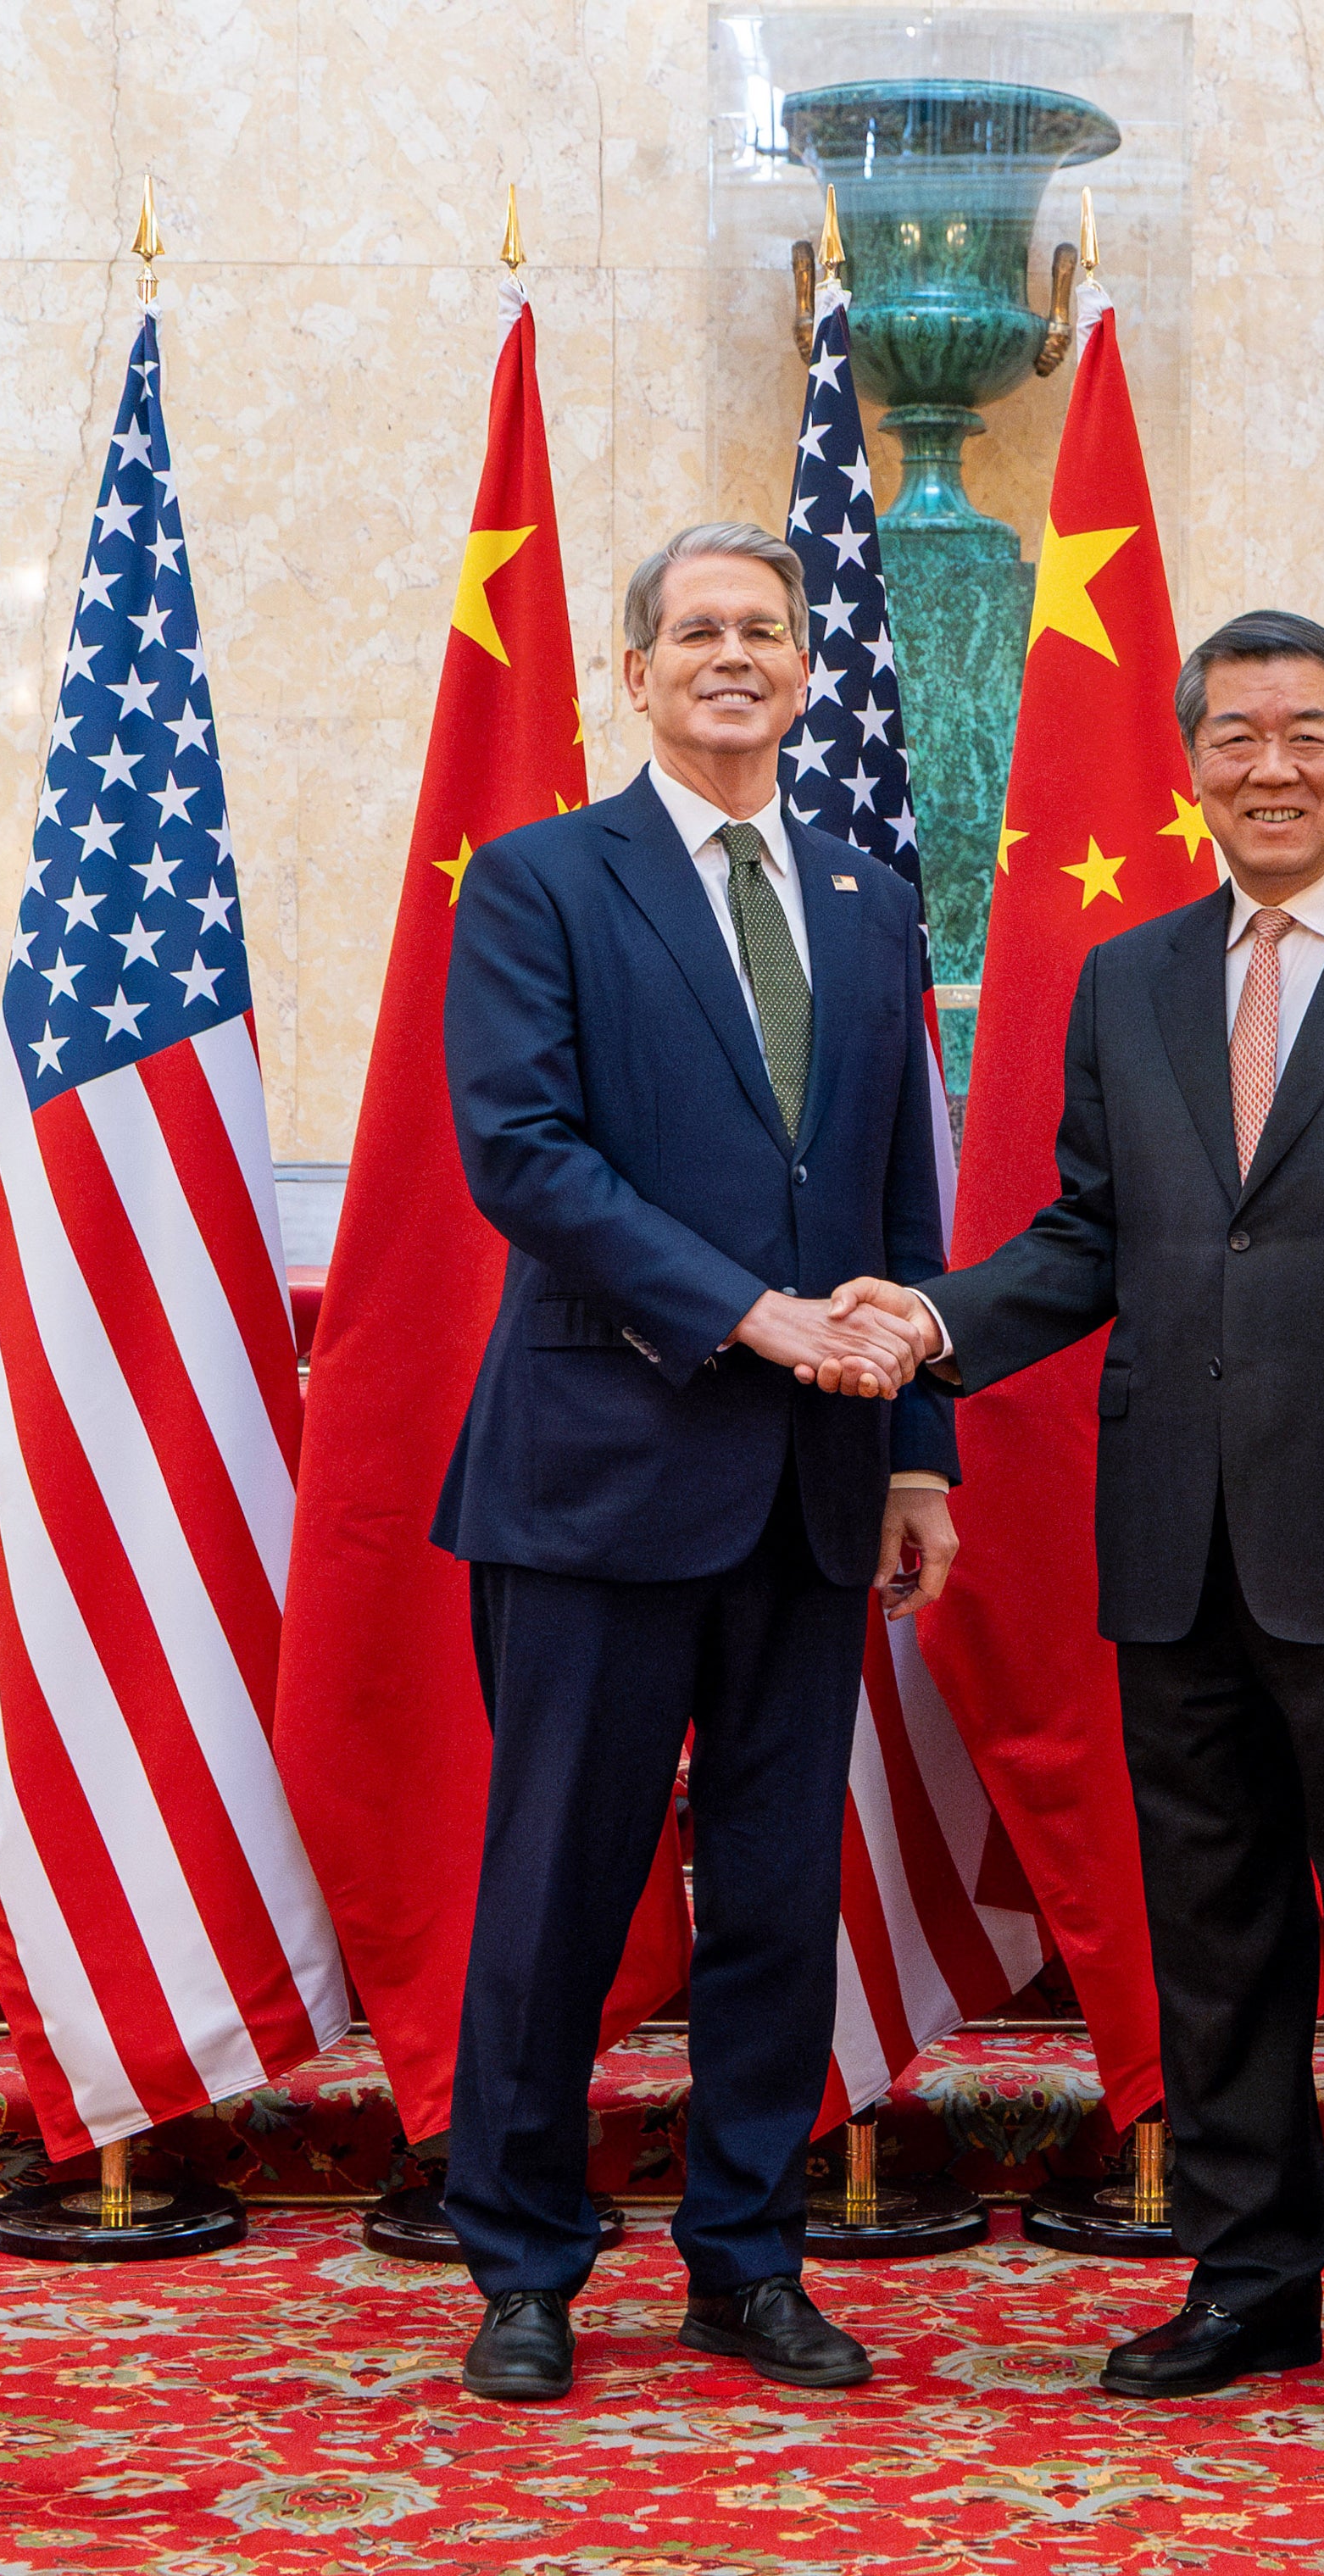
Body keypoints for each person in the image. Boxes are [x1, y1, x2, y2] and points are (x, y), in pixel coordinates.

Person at [834, 609, 1324, 2419]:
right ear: (1193, 763)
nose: (1272, 765)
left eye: (1306, 732)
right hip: (1178, 1538)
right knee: (1217, 1937)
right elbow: (1099, 1235)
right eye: (1235, 734)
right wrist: (935, 1318)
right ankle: (1249, 2276)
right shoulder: (1133, 977)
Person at [431, 520, 955, 2406]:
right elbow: (525, 1154)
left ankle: (746, 2255)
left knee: (772, 1896)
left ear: (807, 673)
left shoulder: (874, 897)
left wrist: (917, 1448)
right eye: (698, 631)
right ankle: (524, 2259)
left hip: (817, 1489)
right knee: (558, 1893)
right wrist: (751, 1313)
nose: (735, 656)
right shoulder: (541, 882)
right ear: (634, 673)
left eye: (767, 631)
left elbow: (900, 1184)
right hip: (599, 1469)